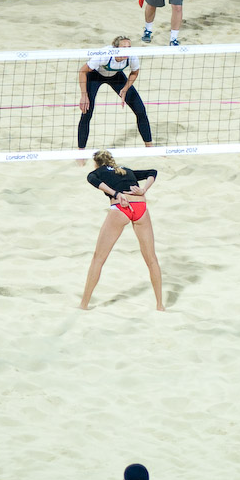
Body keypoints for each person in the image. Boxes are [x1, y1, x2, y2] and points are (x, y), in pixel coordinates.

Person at [80, 152, 163, 311]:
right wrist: (143, 190)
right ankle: (160, 305)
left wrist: (116, 193)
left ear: (97, 163)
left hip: (120, 208)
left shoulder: (99, 172)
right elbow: (153, 172)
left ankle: (84, 304)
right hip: (141, 208)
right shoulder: (125, 170)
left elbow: (91, 179)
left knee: (98, 258)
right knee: (152, 259)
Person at [78, 36, 154, 151]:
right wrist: (84, 96)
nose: (127, 50)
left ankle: (149, 147)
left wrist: (125, 88)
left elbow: (134, 72)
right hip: (95, 76)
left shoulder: (132, 56)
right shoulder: (104, 55)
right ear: (115, 48)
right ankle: (81, 151)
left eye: (129, 47)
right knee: (87, 112)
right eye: (123, 47)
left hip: (116, 76)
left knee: (140, 110)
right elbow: (82, 71)